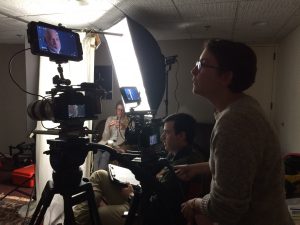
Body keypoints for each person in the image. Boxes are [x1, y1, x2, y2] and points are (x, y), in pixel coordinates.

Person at [174, 39, 294, 225]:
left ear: (226, 77)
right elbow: (236, 167)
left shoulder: (234, 122)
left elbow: (226, 208)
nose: (193, 70)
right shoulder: (243, 107)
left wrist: (195, 203)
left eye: (202, 64)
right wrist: (196, 169)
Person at [73, 113, 205, 225]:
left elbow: (157, 206)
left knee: (95, 213)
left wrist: (131, 195)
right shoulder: (177, 153)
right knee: (99, 174)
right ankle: (78, 218)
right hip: (141, 196)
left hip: (142, 209)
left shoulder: (184, 167)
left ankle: (78, 219)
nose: (162, 137)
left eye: (167, 132)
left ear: (181, 136)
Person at [93, 101, 129, 170]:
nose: (120, 112)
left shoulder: (129, 121)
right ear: (116, 110)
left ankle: (101, 177)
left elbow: (127, 138)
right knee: (97, 153)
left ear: (125, 111)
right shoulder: (110, 119)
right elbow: (105, 137)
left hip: (118, 146)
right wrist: (108, 128)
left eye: (122, 110)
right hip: (106, 143)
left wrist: (122, 127)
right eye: (119, 109)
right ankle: (95, 176)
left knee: (105, 155)